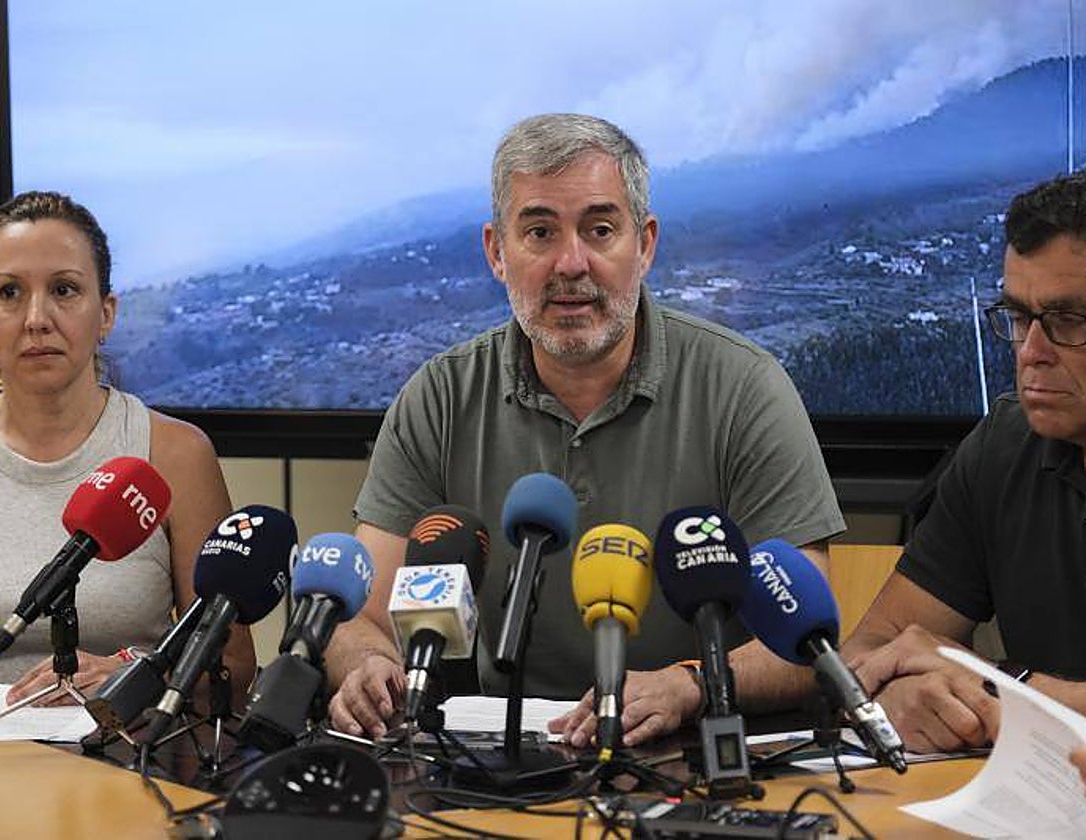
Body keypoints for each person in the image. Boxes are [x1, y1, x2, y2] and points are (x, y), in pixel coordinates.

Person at [325, 113, 845, 745]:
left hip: (691, 749)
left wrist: (686, 685)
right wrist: (366, 665)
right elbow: (361, 618)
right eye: (540, 232)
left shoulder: (745, 387)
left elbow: (807, 647)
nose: (572, 263)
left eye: (600, 230)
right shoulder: (440, 396)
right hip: (501, 751)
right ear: (496, 251)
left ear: (645, 244)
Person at [0, 191, 255, 713]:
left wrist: (131, 679)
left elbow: (234, 671)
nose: (36, 318)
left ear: (106, 313)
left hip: (125, 766)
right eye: (10, 292)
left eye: (64, 290)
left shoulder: (176, 455)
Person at [845, 172, 1086, 753]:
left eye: (1069, 322)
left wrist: (1003, 690)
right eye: (1020, 318)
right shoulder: (1005, 445)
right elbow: (867, 650)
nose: (1031, 353)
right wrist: (893, 697)